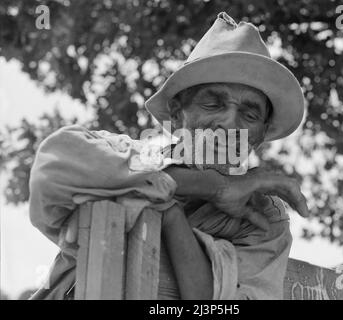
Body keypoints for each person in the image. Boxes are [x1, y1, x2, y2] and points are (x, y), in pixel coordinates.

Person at [29, 12, 308, 300]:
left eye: (249, 114)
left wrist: (167, 209)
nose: (229, 122)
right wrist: (214, 186)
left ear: (259, 137)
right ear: (177, 115)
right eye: (213, 103)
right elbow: (51, 170)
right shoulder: (131, 154)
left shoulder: (266, 219)